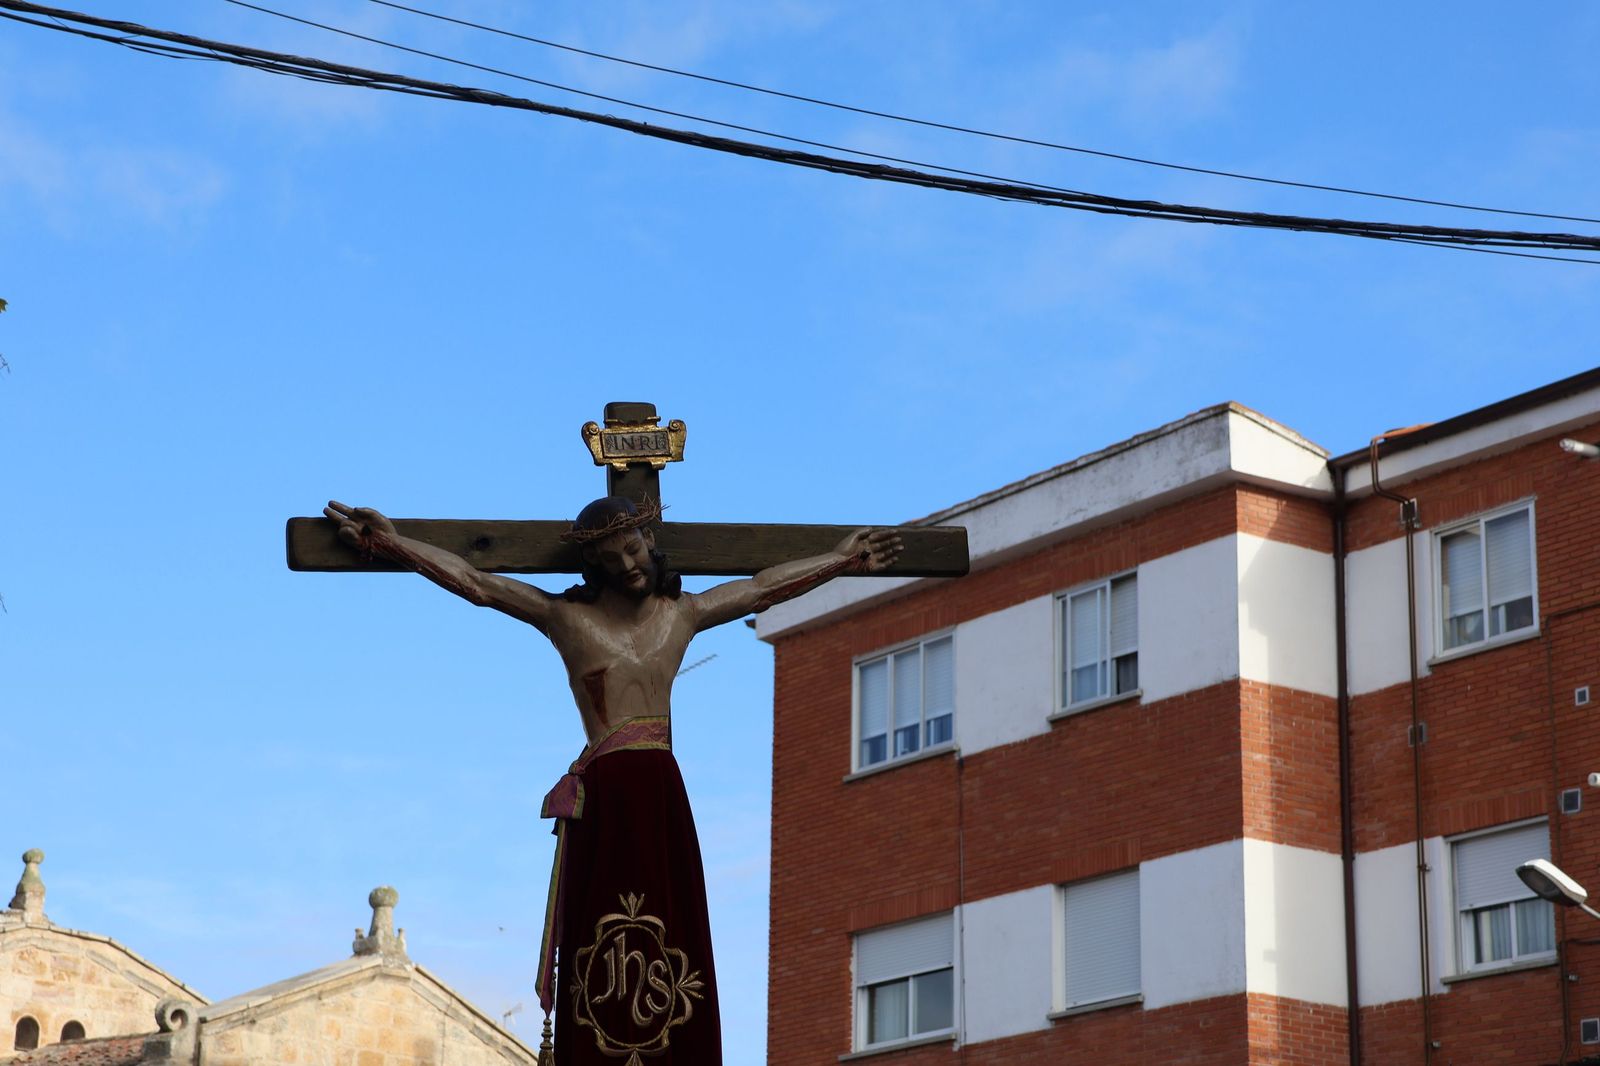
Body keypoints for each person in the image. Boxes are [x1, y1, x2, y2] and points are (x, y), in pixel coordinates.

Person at [323, 497, 901, 1065]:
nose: (627, 564)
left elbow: (760, 588)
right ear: (592, 566)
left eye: (632, 548)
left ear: (650, 541)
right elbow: (479, 583)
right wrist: (391, 541)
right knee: (601, 932)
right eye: (609, 557)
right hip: (605, 796)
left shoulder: (682, 615)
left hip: (660, 794)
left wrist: (841, 559)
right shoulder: (567, 620)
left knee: (672, 928)